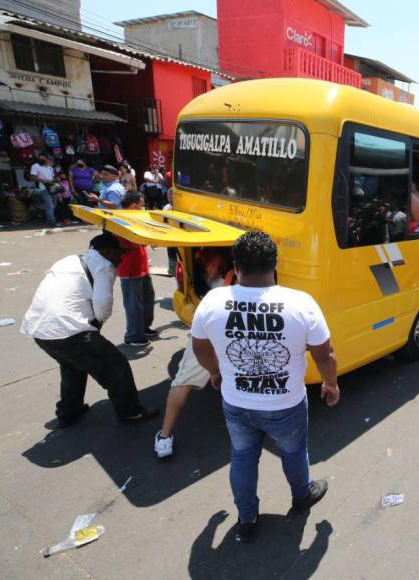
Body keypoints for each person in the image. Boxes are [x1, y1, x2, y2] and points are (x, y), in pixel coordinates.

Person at [190, 232, 340, 542]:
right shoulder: (300, 303)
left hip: (236, 402)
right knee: (294, 452)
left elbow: (200, 348)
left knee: (242, 457)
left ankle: (246, 517)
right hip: (285, 404)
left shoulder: (214, 301)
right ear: (275, 264)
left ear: (236, 264)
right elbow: (325, 354)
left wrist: (215, 372)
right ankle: (302, 497)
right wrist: (330, 383)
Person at [20, 232, 158, 427]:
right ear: (108, 251)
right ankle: (130, 411)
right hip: (69, 331)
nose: (121, 258)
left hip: (39, 329)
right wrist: (96, 325)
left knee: (72, 366)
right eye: (120, 253)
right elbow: (103, 304)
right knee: (116, 365)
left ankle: (69, 411)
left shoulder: (68, 260)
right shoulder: (104, 265)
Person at [155, 248, 235, 459]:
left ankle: (165, 438)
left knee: (183, 382)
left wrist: (213, 371)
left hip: (212, 333)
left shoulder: (211, 297)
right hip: (237, 335)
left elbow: (201, 343)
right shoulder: (255, 288)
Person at [117, 192, 157, 347]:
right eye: (141, 204)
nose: (143, 207)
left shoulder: (134, 218)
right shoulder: (120, 220)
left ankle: (143, 328)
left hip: (141, 266)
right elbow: (132, 241)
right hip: (130, 269)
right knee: (134, 304)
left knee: (148, 298)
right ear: (133, 205)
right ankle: (133, 336)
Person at [30, 154, 58, 226]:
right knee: (50, 205)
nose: (42, 160)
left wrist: (56, 180)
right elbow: (32, 178)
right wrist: (45, 180)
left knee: (54, 204)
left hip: (53, 187)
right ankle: (52, 221)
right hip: (44, 187)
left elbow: (52, 178)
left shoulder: (50, 168)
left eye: (44, 158)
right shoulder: (35, 166)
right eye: (40, 158)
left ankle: (49, 220)